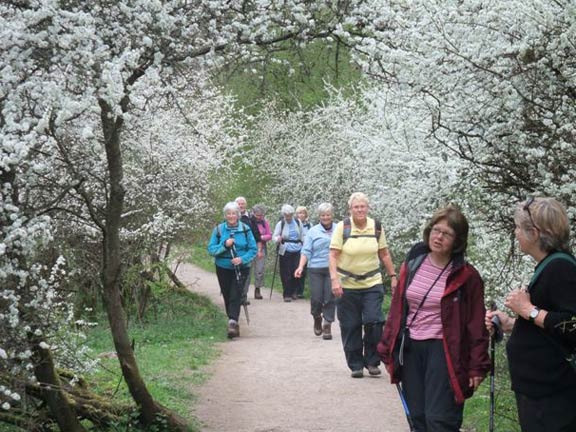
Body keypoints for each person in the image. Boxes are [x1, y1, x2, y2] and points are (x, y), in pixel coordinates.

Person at [378, 205, 490, 431]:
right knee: (417, 417)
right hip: (410, 349)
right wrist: (386, 346)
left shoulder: (467, 277)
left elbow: (476, 326)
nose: (439, 237)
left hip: (444, 351)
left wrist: (477, 366)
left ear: (457, 240)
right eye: (436, 230)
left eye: (447, 234)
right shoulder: (412, 265)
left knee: (440, 419)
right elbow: (398, 310)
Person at [485, 197, 576, 432]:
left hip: (551, 396)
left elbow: (573, 325)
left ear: (534, 233)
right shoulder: (549, 266)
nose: (515, 234)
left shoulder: (560, 268)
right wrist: (512, 323)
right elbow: (548, 328)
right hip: (539, 391)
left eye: (517, 227)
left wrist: (528, 310)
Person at [329, 192, 397, 378]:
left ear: (368, 208)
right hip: (346, 285)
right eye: (356, 207)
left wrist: (393, 276)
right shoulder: (343, 227)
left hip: (372, 283)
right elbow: (333, 255)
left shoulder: (376, 227)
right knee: (351, 325)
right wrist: (334, 279)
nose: (360, 210)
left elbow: (384, 253)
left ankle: (372, 361)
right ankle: (356, 365)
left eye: (363, 206)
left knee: (374, 322)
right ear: (350, 209)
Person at [208, 202, 257, 339]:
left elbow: (253, 249)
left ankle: (232, 322)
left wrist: (242, 259)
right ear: (225, 215)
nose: (231, 216)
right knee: (227, 294)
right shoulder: (218, 230)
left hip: (241, 268)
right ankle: (233, 321)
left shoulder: (246, 229)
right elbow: (211, 249)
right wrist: (224, 245)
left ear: (238, 215)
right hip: (223, 267)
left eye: (234, 213)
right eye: (228, 213)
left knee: (236, 294)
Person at [295, 203, 336, 339]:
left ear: (332, 215)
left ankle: (327, 324)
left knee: (330, 296)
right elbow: (306, 251)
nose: (326, 217)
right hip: (315, 268)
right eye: (323, 215)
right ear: (319, 216)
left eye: (328, 215)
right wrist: (300, 266)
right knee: (317, 298)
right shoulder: (313, 231)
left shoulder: (338, 229)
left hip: (333, 268)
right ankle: (317, 317)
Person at [273, 204, 304, 302]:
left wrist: (305, 246)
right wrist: (278, 238)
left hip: (298, 249)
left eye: (290, 214)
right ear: (283, 214)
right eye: (286, 215)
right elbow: (274, 237)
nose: (288, 216)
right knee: (285, 272)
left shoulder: (298, 222)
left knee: (296, 271)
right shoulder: (281, 223)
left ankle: (294, 291)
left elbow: (303, 235)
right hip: (285, 250)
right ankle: (287, 293)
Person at [235, 196, 262, 305]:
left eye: (243, 204)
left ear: (246, 205)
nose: (241, 206)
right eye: (239, 204)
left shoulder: (251, 219)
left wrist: (259, 249)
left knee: (246, 274)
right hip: (234, 250)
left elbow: (257, 235)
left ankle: (243, 296)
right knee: (234, 274)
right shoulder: (231, 217)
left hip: (247, 251)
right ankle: (234, 296)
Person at [250, 204, 272, 300]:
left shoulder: (264, 222)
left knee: (259, 270)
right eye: (258, 215)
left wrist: (262, 238)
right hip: (250, 247)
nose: (260, 217)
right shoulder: (249, 222)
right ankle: (244, 291)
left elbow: (269, 235)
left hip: (262, 247)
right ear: (253, 213)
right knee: (248, 269)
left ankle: (257, 289)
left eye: (261, 215)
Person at [295, 205, 312, 299]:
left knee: (303, 271)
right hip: (296, 249)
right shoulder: (294, 224)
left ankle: (300, 291)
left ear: (306, 214)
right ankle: (293, 289)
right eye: (299, 213)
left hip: (306, 250)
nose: (301, 215)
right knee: (295, 268)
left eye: (303, 213)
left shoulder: (309, 225)